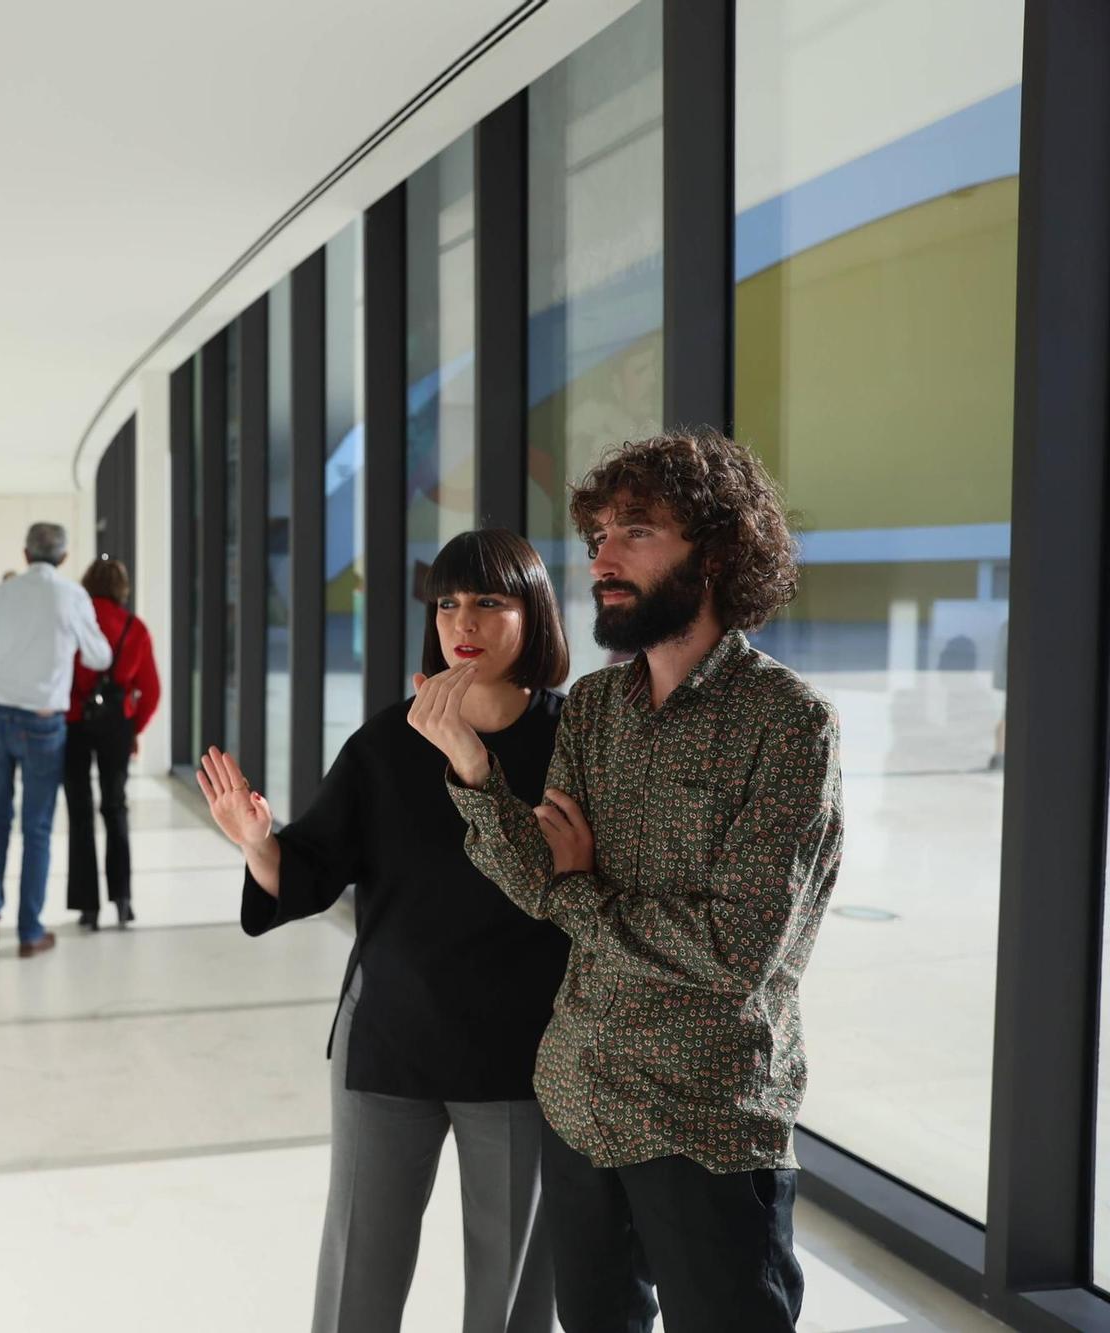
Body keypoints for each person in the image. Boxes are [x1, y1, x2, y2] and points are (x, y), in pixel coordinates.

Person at [413, 429, 844, 1332]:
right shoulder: (599, 708)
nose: (601, 555)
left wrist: (580, 891)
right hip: (578, 1096)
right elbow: (534, 878)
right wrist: (470, 766)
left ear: (718, 553)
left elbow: (736, 951)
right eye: (599, 531)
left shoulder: (789, 723)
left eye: (636, 531)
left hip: (709, 1121)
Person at [200, 530, 571, 1333]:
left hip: (520, 1055)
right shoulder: (383, 740)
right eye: (446, 603)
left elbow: (571, 887)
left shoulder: (573, 742)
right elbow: (306, 870)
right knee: (357, 1275)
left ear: (533, 613)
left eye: (487, 601)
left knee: (510, 1293)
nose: (460, 620)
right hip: (390, 1040)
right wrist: (258, 839)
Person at [0, 523, 111, 958]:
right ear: (63, 559)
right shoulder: (72, 596)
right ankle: (29, 932)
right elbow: (100, 655)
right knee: (37, 828)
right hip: (43, 723)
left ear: (25, 554)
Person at [63, 557, 160, 931]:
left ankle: (87, 907)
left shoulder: (74, 624)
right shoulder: (136, 629)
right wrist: (134, 728)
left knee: (80, 811)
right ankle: (123, 900)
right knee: (116, 808)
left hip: (72, 722)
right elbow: (151, 691)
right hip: (116, 724)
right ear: (122, 588)